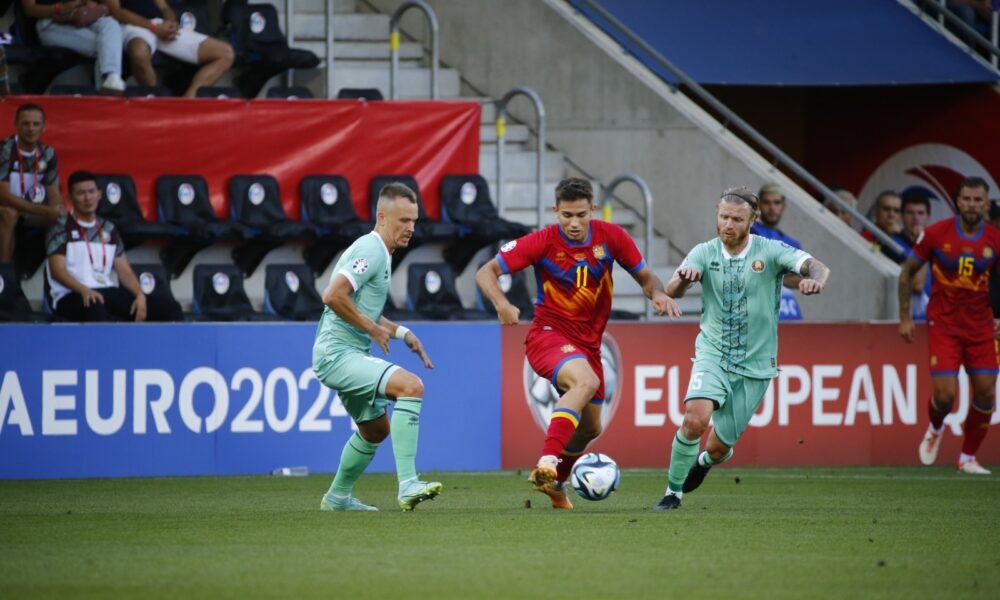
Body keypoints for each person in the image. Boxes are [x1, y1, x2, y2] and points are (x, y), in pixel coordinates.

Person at [476, 177, 681, 509]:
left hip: (588, 346)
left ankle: (555, 486)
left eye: (581, 215)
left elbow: (646, 277)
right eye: (567, 215)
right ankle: (547, 463)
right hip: (548, 335)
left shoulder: (612, 237)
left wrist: (657, 294)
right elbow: (485, 272)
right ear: (555, 211)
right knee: (586, 381)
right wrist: (502, 304)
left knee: (589, 428)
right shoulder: (541, 242)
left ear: (593, 210)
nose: (574, 223)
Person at [652, 187, 830, 510]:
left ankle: (704, 462)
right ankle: (672, 493)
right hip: (713, 354)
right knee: (695, 419)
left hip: (756, 365)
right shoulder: (704, 253)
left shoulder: (771, 251)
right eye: (723, 217)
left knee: (719, 447)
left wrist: (814, 280)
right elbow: (673, 290)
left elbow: (816, 266)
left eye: (737, 219)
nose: (728, 225)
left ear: (753, 220)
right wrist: (684, 279)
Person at [313, 182, 441, 512]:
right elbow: (332, 295)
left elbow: (363, 308)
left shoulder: (380, 253)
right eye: (403, 220)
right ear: (381, 217)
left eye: (414, 220)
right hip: (337, 353)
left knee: (375, 430)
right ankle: (409, 484)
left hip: (346, 352)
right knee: (411, 386)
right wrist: (371, 329)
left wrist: (402, 334)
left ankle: (337, 498)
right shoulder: (371, 250)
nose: (411, 228)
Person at [899, 176, 998, 475]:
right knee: (945, 396)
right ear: (957, 201)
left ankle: (967, 457)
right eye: (967, 199)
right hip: (944, 324)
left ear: (986, 203)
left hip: (981, 328)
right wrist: (905, 317)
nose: (972, 204)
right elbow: (907, 274)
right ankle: (936, 426)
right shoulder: (935, 234)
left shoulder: (994, 239)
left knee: (985, 393)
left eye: (978, 200)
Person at [45, 170, 182, 321]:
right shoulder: (60, 227)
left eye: (91, 192)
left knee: (169, 308)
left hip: (106, 292)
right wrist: (84, 290)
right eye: (81, 193)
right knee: (95, 305)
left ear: (99, 194)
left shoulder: (108, 229)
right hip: (71, 294)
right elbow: (57, 271)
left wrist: (139, 295)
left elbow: (124, 271)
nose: (87, 198)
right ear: (70, 197)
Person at [103, 0, 234, 98]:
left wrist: (170, 23)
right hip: (131, 26)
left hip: (159, 25)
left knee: (225, 53)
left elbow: (165, 8)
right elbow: (117, 12)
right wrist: (153, 28)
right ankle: (154, 99)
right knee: (139, 53)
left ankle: (188, 100)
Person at [0, 103, 64, 264]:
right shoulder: (4, 149)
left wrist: (56, 207)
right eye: (26, 123)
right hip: (6, 205)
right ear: (16, 125)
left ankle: (54, 270)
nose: (31, 128)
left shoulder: (48, 153)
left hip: (31, 208)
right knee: (10, 213)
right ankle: (5, 274)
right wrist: (43, 210)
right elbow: (4, 196)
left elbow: (53, 191)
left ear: (44, 127)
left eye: (36, 124)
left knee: (62, 217)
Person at [21, 1, 126, 94]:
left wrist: (87, 3)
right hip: (50, 23)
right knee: (106, 45)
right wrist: (59, 8)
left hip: (80, 18)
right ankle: (107, 92)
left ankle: (112, 78)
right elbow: (29, 10)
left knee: (110, 24)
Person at [899, 193, 932, 320]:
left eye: (920, 213)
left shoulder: (936, 244)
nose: (915, 218)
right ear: (902, 216)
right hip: (907, 321)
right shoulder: (892, 244)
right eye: (910, 213)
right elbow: (918, 285)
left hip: (932, 319)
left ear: (928, 216)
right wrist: (920, 241)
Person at [861, 190, 906, 263]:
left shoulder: (906, 242)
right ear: (875, 212)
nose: (891, 215)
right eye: (886, 209)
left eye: (896, 211)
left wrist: (898, 238)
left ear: (901, 216)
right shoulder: (863, 237)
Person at [751, 183, 800, 248]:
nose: (772, 208)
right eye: (766, 202)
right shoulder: (747, 230)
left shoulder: (792, 245)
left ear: (783, 206)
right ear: (759, 205)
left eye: (777, 202)